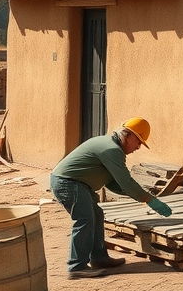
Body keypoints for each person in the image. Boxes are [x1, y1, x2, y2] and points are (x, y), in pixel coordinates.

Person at [49, 117, 173, 278]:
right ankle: (76, 266)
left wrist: (143, 193)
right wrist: (149, 200)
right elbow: (126, 183)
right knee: (85, 220)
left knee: (97, 215)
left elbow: (114, 184)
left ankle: (99, 258)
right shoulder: (111, 150)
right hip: (69, 183)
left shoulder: (110, 146)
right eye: (138, 141)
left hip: (79, 185)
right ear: (128, 135)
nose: (138, 147)